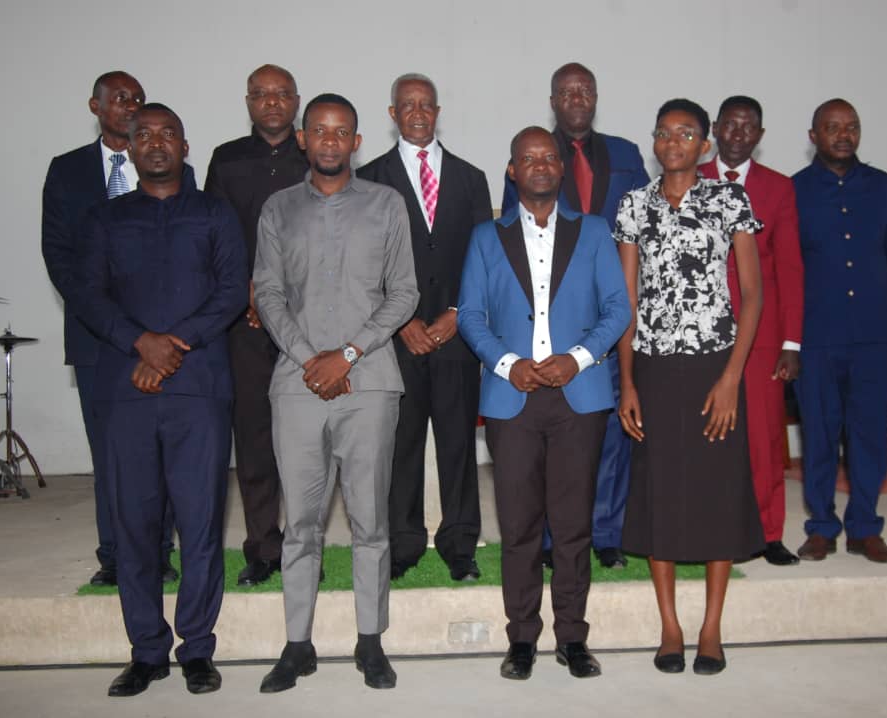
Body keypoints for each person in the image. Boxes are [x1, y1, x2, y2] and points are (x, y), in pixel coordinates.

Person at [73, 103, 247, 696]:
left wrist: (173, 344)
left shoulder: (215, 214)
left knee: (200, 524)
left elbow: (232, 291)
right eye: (143, 135)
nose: (155, 143)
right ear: (128, 147)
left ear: (184, 146)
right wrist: (139, 343)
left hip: (199, 390)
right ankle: (147, 651)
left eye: (167, 134)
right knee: (135, 526)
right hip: (128, 391)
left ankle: (197, 648)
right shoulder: (104, 219)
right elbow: (88, 296)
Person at [252, 93, 419, 692]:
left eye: (341, 131)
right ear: (303, 138)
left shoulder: (386, 204)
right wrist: (310, 359)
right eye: (319, 131)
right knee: (301, 524)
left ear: (356, 141)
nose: (329, 140)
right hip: (297, 385)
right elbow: (268, 293)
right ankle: (297, 645)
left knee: (370, 520)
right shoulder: (278, 208)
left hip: (369, 382)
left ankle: (370, 641)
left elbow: (405, 293)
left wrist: (346, 355)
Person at [458, 126, 629, 681]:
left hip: (579, 398)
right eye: (527, 158)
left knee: (574, 526)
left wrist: (576, 359)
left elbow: (617, 309)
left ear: (560, 168)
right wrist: (508, 364)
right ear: (512, 171)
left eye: (548, 157)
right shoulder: (486, 237)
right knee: (519, 526)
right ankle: (522, 639)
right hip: (512, 398)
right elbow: (471, 316)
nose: (539, 165)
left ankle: (572, 638)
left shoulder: (594, 231)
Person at [616, 99, 765, 676]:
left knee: (716, 494)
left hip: (714, 370)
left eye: (685, 133)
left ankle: (711, 628)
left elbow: (751, 296)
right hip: (653, 370)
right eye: (663, 132)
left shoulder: (730, 201)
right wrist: (628, 382)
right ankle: (670, 627)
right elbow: (626, 304)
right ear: (654, 142)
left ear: (705, 145)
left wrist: (731, 377)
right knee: (660, 493)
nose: (672, 142)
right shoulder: (633, 205)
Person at [502, 62, 649, 569]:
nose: (577, 97)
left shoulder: (627, 155)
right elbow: (511, 234)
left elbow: (645, 226)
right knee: (548, 431)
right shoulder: (533, 156)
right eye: (566, 91)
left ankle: (606, 532)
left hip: (612, 306)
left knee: (608, 426)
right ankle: (548, 537)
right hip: (550, 313)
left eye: (585, 89)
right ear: (553, 101)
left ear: (596, 97)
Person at [41, 71, 177, 587]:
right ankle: (115, 555)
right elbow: (59, 258)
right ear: (95, 106)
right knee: (111, 454)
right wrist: (117, 326)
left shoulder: (171, 169)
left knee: (161, 452)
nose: (131, 105)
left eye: (138, 98)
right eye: (120, 99)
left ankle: (160, 552)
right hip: (98, 340)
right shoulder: (67, 171)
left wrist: (155, 333)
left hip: (161, 341)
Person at [357, 73, 493, 582]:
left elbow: (484, 255)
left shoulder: (470, 178)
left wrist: (459, 312)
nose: (417, 112)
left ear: (437, 111)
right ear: (393, 113)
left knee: (458, 443)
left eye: (426, 104)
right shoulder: (369, 178)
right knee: (401, 443)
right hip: (397, 338)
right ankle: (403, 542)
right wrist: (401, 321)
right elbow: (364, 263)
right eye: (407, 105)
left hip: (456, 335)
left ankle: (460, 543)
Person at [793, 99, 887, 564]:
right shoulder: (795, 190)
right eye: (832, 127)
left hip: (875, 334)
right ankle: (821, 528)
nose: (843, 135)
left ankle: (865, 528)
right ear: (814, 136)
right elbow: (786, 268)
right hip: (816, 336)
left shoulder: (884, 187)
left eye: (851, 127)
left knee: (869, 435)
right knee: (819, 435)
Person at [204, 64, 308, 587]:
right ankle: (263, 546)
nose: (271, 102)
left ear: (296, 100)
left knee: (310, 437)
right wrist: (247, 290)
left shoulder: (315, 153)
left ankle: (306, 545)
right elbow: (213, 236)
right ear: (248, 101)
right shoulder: (226, 159)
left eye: (281, 94)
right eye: (261, 94)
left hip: (308, 322)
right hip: (245, 321)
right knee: (254, 436)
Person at [699, 95, 804, 566]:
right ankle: (710, 529)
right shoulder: (690, 178)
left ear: (759, 135)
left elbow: (790, 268)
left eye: (748, 127)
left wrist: (791, 342)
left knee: (763, 438)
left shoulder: (778, 188)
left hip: (761, 335)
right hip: (700, 334)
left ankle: (769, 533)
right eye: (730, 124)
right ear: (715, 128)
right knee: (705, 435)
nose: (738, 134)